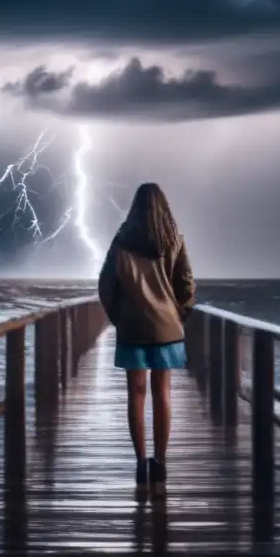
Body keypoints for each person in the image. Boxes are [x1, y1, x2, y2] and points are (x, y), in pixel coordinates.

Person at [98, 182, 196, 499]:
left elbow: (105, 285)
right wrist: (179, 313)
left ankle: (141, 462)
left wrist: (119, 316)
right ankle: (161, 462)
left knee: (136, 394)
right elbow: (187, 284)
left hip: (132, 329)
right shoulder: (174, 241)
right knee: (162, 392)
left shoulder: (122, 242)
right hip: (167, 329)